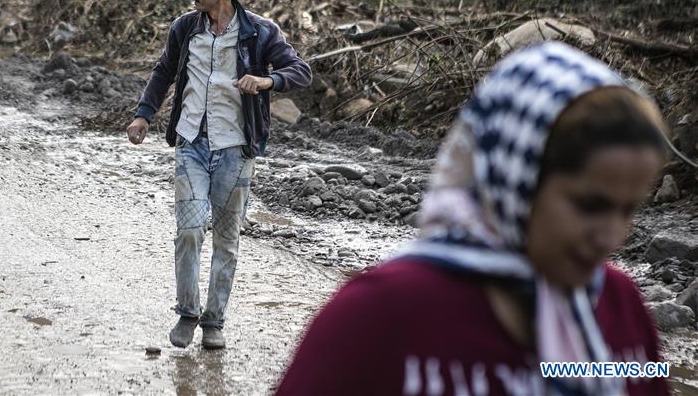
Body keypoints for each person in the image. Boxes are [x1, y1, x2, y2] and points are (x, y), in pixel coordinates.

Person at [275, 42, 670, 396]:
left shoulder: (621, 309)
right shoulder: (380, 318)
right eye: (589, 205)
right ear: (515, 181)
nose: (611, 236)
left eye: (629, 209)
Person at [126, 0, 312, 350]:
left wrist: (267, 81)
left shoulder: (261, 33)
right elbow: (163, 71)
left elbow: (301, 71)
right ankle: (188, 313)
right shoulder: (185, 29)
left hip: (236, 149)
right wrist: (144, 114)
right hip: (191, 142)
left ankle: (214, 321)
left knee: (226, 238)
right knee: (189, 230)